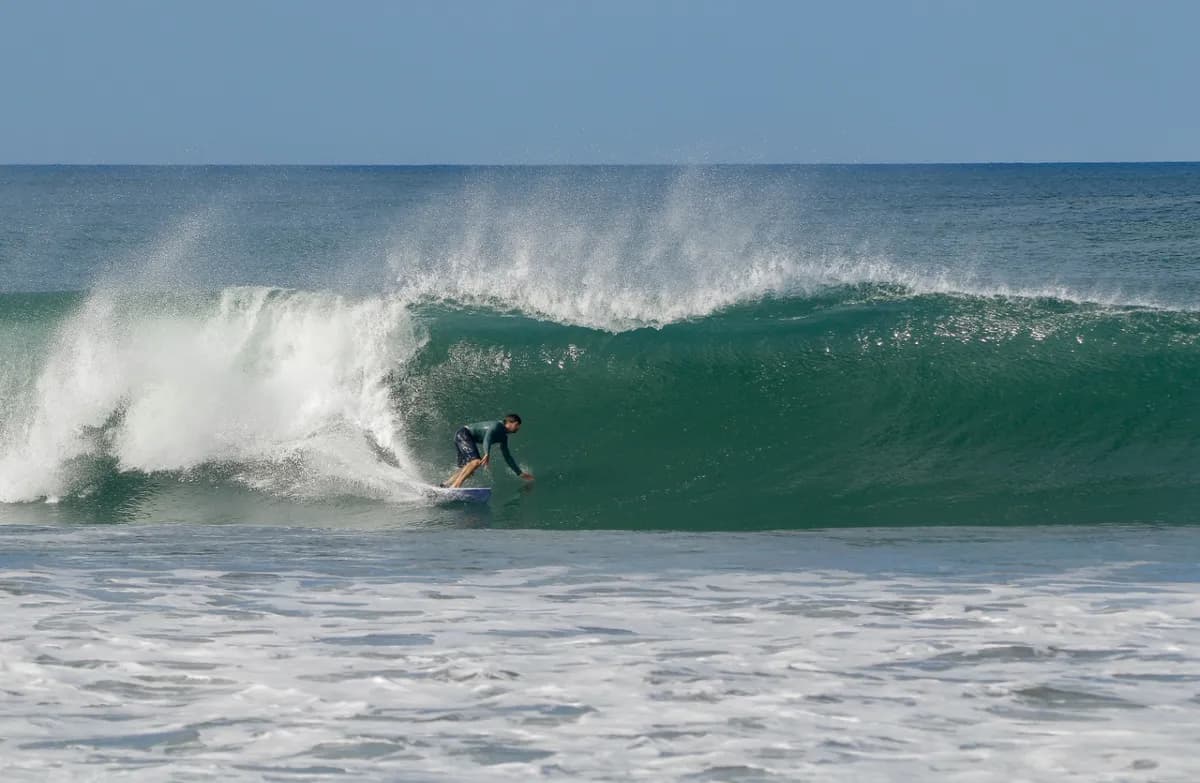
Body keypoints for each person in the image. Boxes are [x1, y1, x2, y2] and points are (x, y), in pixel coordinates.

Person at [443, 413, 535, 488]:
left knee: (468, 471)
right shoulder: (497, 426)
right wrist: (487, 453)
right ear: (509, 423)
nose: (518, 428)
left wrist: (520, 473)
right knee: (475, 462)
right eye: (517, 425)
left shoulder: (503, 437)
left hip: (463, 437)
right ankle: (455, 486)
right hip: (463, 434)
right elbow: (488, 437)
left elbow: (507, 457)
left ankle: (445, 485)